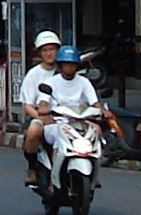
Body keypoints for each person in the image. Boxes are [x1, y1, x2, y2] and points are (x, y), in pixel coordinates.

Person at [19, 31, 103, 182]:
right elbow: (28, 105)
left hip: (74, 117)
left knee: (96, 131)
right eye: (45, 50)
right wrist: (42, 116)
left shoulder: (81, 80)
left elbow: (93, 101)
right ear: (40, 53)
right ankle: (33, 169)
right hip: (46, 117)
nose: (49, 53)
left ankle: (93, 171)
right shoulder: (34, 75)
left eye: (53, 49)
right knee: (34, 131)